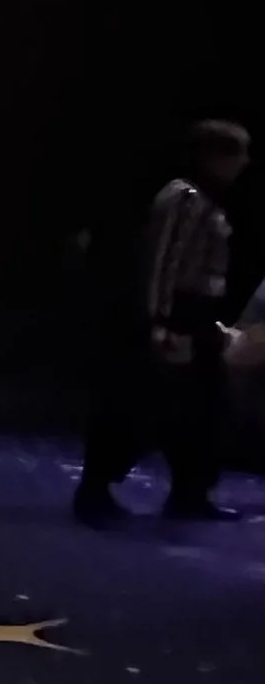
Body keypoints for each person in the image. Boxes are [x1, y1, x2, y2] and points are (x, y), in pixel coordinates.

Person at [75, 118, 250, 524]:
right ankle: (96, 488)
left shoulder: (207, 200)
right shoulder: (184, 197)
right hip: (176, 313)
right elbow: (163, 262)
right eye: (238, 154)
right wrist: (159, 320)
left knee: (204, 406)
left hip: (196, 313)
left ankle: (190, 492)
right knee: (142, 403)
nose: (244, 163)